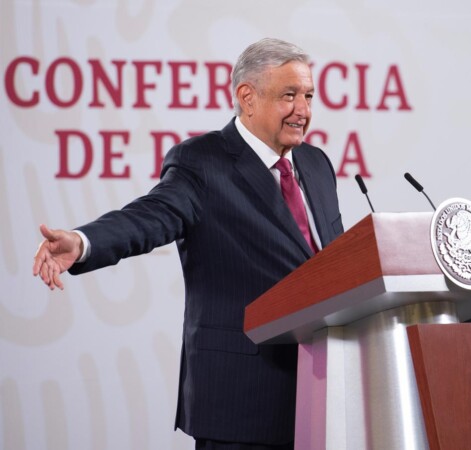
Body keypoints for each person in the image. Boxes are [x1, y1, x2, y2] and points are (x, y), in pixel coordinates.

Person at [32, 38, 344, 450]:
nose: (303, 110)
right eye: (289, 95)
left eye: (307, 96)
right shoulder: (203, 161)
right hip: (240, 399)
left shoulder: (316, 164)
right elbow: (148, 217)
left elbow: (336, 263)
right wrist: (83, 241)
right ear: (246, 98)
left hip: (323, 396)